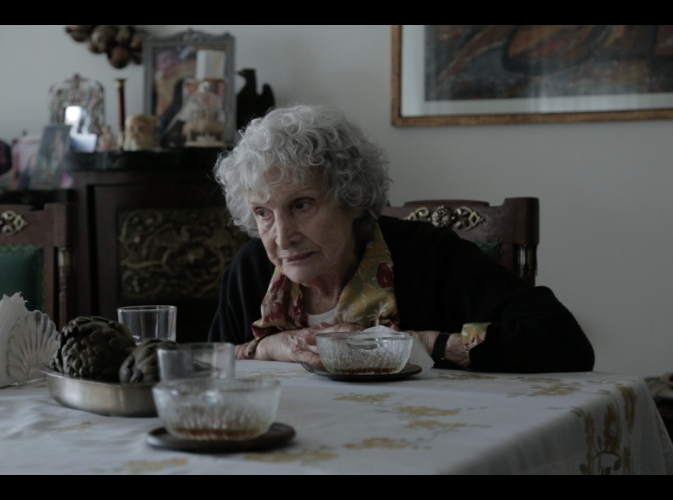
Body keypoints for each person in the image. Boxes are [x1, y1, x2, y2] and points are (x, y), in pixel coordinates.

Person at [207, 104, 595, 373]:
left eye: (302, 205)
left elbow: (562, 340)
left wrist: (420, 343)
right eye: (263, 213)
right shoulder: (252, 267)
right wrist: (267, 347)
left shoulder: (429, 256)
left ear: (353, 199)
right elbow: (205, 363)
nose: (282, 237)